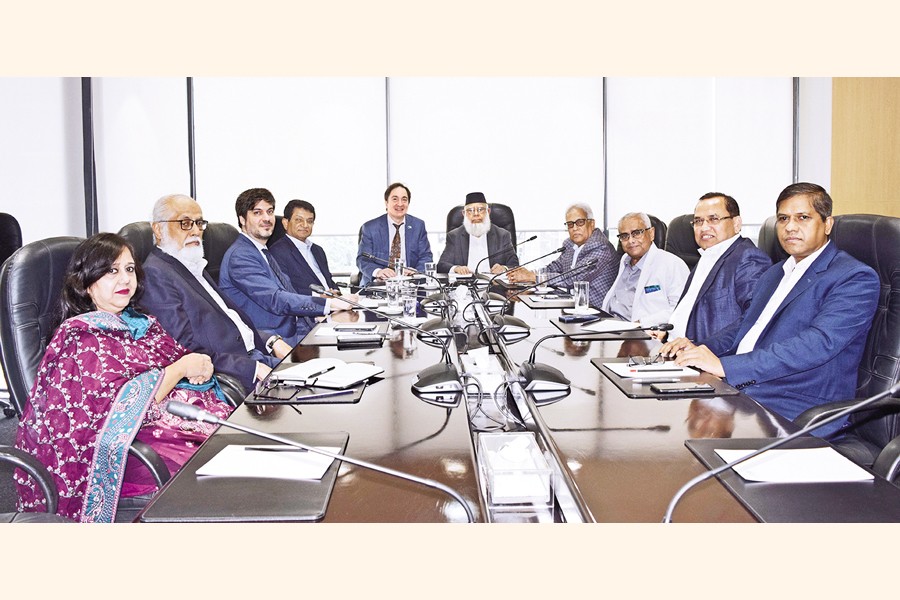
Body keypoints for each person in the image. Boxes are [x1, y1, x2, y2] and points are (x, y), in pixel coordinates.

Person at [14, 233, 233, 522]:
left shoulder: (136, 321)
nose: (125, 279)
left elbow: (175, 360)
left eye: (129, 269)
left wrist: (198, 366)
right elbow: (120, 411)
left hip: (165, 428)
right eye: (111, 271)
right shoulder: (81, 337)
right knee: (222, 475)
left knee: (236, 449)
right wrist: (179, 370)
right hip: (120, 455)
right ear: (86, 283)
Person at [660, 183, 879, 436]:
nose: (790, 227)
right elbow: (745, 325)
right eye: (783, 218)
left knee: (687, 441)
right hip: (746, 390)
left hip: (795, 406)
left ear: (827, 224)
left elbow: (817, 344)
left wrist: (727, 367)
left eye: (803, 217)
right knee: (667, 422)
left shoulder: (853, 277)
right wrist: (700, 349)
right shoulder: (776, 273)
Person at [141, 194, 293, 392]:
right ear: (158, 229)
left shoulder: (192, 264)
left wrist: (270, 341)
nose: (196, 231)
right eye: (185, 223)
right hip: (235, 374)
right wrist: (253, 368)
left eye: (199, 223)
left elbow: (230, 322)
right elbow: (184, 350)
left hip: (256, 356)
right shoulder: (156, 274)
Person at [219, 188, 355, 346]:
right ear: (242, 219)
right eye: (257, 213)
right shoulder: (241, 255)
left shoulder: (261, 251)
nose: (266, 218)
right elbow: (275, 299)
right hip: (273, 339)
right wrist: (330, 304)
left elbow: (288, 292)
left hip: (296, 327)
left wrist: (318, 315)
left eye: (270, 212)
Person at [663, 193, 771, 341]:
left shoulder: (748, 257)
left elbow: (754, 320)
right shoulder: (708, 255)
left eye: (713, 219)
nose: (704, 227)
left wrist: (703, 348)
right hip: (673, 346)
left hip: (708, 352)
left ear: (736, 223)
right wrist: (666, 332)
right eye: (698, 221)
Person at [507, 202, 618, 309]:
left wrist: (532, 277)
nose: (575, 228)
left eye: (580, 222)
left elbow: (572, 278)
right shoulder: (570, 245)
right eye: (570, 224)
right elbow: (553, 268)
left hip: (595, 311)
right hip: (571, 306)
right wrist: (527, 274)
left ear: (591, 223)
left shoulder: (601, 247)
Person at [601, 212, 688, 324]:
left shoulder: (672, 264)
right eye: (624, 236)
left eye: (637, 233)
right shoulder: (624, 260)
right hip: (608, 324)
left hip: (640, 330)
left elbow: (681, 309)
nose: (631, 240)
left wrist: (642, 323)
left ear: (651, 233)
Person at [356, 182, 433, 286]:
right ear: (386, 202)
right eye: (395, 199)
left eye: (404, 199)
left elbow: (426, 256)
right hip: (377, 285)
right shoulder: (370, 228)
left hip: (410, 285)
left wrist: (415, 272)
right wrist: (378, 271)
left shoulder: (418, 226)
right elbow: (362, 259)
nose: (400, 204)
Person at [437, 192, 519, 275]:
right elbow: (441, 265)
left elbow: (514, 264)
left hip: (493, 282)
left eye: (480, 209)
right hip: (465, 282)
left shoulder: (502, 235)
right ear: (464, 214)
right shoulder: (454, 236)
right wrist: (456, 268)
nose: (476, 214)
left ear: (488, 211)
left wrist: (504, 268)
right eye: (470, 210)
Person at [269, 199, 339, 296]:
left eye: (309, 221)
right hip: (308, 304)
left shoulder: (317, 250)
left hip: (334, 302)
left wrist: (337, 292)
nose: (305, 225)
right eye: (299, 220)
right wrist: (320, 296)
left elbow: (328, 281)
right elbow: (285, 289)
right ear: (285, 223)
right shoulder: (277, 252)